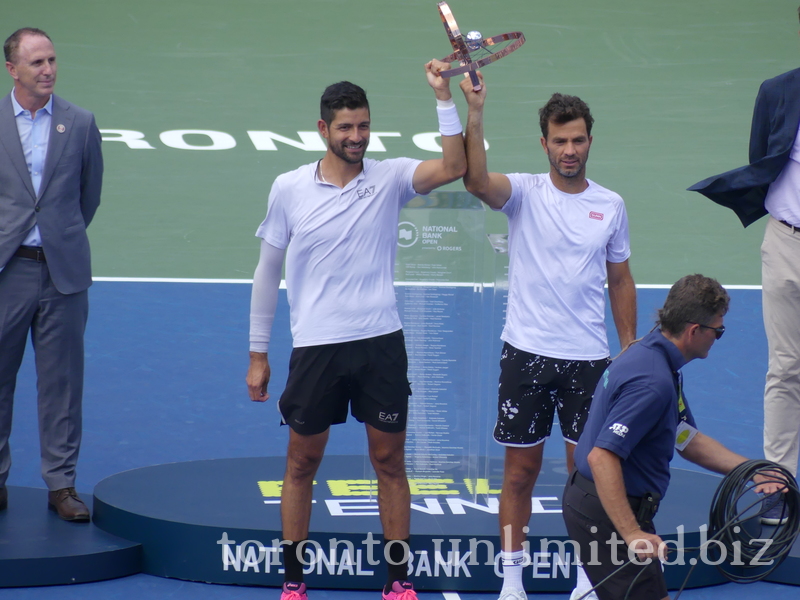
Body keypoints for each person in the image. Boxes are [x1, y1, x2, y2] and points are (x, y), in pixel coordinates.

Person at [246, 61, 466, 600]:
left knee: (389, 462)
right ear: (323, 130)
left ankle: (398, 582)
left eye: (364, 126)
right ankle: (294, 581)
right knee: (301, 463)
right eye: (345, 128)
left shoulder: (390, 179)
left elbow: (457, 165)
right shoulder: (289, 188)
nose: (356, 137)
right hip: (316, 347)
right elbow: (266, 271)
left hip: (379, 343)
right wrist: (258, 353)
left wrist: (444, 95)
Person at [459, 72, 637, 600]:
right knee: (520, 472)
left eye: (578, 139)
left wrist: (628, 349)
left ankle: (587, 579)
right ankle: (512, 582)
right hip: (527, 355)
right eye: (559, 140)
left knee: (588, 474)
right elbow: (474, 182)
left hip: (589, 360)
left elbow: (620, 277)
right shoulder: (523, 193)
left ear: (589, 140)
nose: (569, 149)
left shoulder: (611, 204)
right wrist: (475, 112)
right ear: (544, 143)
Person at [562, 274, 786, 600]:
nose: (717, 338)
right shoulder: (653, 383)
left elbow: (686, 438)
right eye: (718, 332)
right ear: (695, 331)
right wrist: (633, 533)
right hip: (607, 514)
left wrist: (753, 470)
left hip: (601, 505)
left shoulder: (652, 354)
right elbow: (602, 457)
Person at [688, 6, 800, 527]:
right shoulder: (778, 91)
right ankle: (778, 481)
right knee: (786, 367)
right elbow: (762, 156)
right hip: (786, 244)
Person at [0, 28, 103, 521]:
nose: (48, 70)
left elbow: (89, 196)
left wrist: (58, 236)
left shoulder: (80, 123)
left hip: (62, 274)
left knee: (61, 385)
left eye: (52, 60)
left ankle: (61, 486)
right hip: (6, 272)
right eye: (37, 62)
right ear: (12, 69)